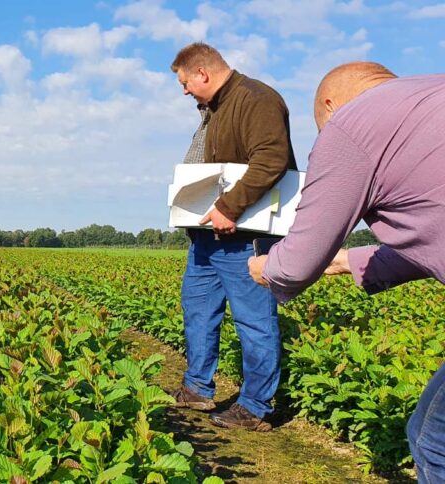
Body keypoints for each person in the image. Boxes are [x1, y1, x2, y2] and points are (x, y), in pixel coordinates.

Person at [250, 62, 445, 482]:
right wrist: (344, 261)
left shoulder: (349, 124)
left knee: (436, 444)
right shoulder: (432, 96)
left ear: (329, 105)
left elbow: (297, 261)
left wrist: (271, 267)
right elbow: (431, 237)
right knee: (429, 432)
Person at [168, 42, 296, 431]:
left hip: (244, 236)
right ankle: (197, 388)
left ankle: (255, 407)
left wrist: (229, 206)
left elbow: (271, 159)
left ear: (202, 73)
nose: (185, 91)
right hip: (208, 238)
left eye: (185, 83)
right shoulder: (216, 108)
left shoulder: (256, 99)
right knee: (198, 310)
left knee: (254, 321)